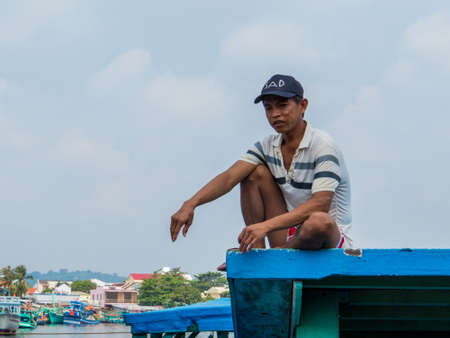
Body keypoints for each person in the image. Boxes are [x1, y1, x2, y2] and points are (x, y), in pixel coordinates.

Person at [170, 74, 352, 268]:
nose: (275, 114)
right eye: (268, 108)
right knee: (253, 173)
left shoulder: (322, 145)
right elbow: (230, 177)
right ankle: (257, 252)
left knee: (318, 221)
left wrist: (265, 226)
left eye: (282, 105)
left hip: (326, 239)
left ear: (303, 106)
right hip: (287, 233)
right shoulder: (268, 146)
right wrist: (190, 204)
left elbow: (320, 204)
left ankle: (269, 258)